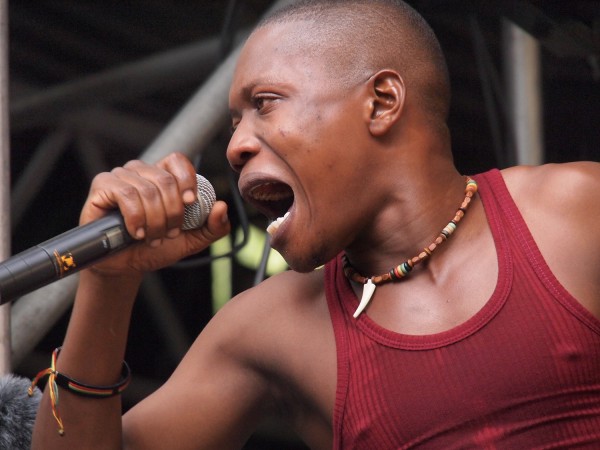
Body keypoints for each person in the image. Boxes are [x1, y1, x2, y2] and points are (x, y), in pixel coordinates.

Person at [31, 0, 600, 448]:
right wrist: (107, 285)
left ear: (381, 101)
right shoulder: (269, 330)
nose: (235, 146)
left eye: (266, 102)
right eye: (233, 122)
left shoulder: (576, 211)